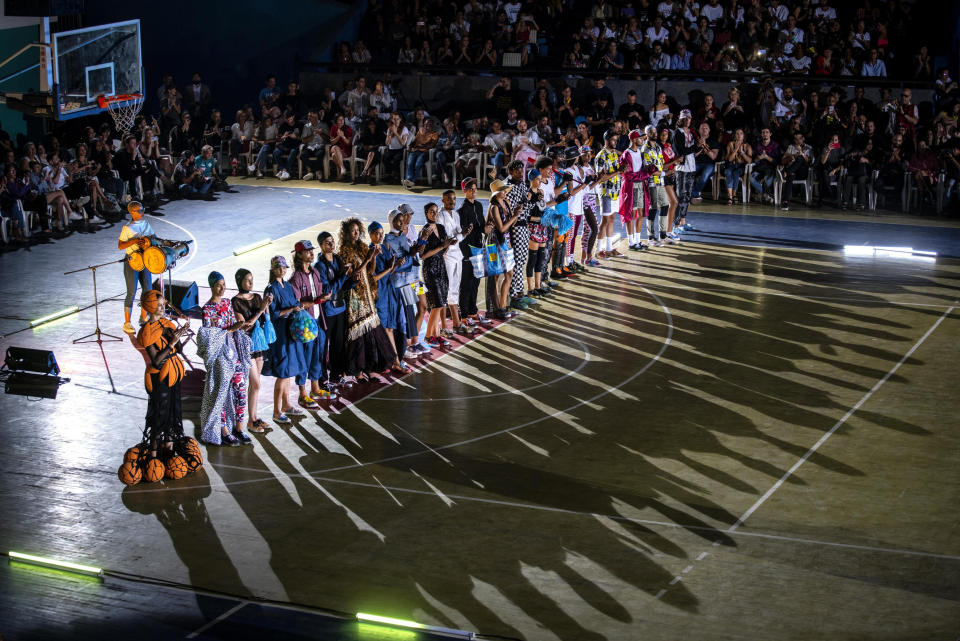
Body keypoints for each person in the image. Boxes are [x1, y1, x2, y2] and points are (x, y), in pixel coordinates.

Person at [338, 218, 400, 381]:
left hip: (366, 294)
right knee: (358, 333)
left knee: (371, 330)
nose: (356, 233)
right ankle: (357, 371)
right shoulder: (344, 252)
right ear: (346, 234)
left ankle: (370, 367)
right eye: (353, 231)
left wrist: (373, 258)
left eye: (358, 230)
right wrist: (368, 258)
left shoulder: (362, 247)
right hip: (355, 297)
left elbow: (369, 272)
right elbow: (353, 275)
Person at [198, 271, 252, 446]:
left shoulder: (228, 303)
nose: (222, 288)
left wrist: (239, 327)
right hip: (220, 356)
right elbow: (209, 337)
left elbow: (230, 326)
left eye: (224, 284)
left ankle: (238, 427)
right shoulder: (207, 309)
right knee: (221, 392)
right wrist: (230, 329)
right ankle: (224, 431)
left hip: (233, 352)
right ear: (212, 286)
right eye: (219, 285)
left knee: (240, 390)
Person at [136, 289, 189, 459]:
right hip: (159, 378)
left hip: (173, 374)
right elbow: (156, 361)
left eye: (162, 305)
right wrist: (171, 342)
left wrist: (178, 337)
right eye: (158, 306)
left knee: (173, 413)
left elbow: (178, 349)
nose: (161, 308)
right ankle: (153, 455)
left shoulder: (167, 324)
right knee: (160, 415)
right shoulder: (147, 331)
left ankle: (169, 449)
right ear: (149, 306)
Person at [289, 240, 336, 405]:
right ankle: (302, 393)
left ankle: (315, 388)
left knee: (318, 355)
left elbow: (320, 291)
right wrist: (316, 301)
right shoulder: (296, 278)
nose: (311, 253)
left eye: (311, 250)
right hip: (304, 325)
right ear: (299, 254)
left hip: (317, 320)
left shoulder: (315, 272)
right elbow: (296, 304)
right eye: (307, 251)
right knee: (304, 358)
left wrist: (325, 296)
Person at [264, 256, 307, 424]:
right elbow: (271, 314)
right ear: (273, 269)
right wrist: (291, 309)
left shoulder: (287, 285)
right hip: (280, 334)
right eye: (279, 267)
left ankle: (287, 405)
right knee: (282, 372)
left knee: (288, 371)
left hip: (291, 332)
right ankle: (276, 411)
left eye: (284, 267)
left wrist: (298, 307)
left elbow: (294, 302)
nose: (282, 270)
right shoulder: (271, 289)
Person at [231, 269, 273, 433]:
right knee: (255, 382)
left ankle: (253, 418)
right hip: (246, 345)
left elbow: (263, 319)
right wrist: (261, 308)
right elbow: (245, 324)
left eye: (252, 279)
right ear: (239, 281)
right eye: (247, 280)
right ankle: (248, 420)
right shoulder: (235, 301)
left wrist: (267, 305)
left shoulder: (256, 297)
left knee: (255, 386)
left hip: (258, 343)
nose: (251, 283)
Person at [315, 231, 355, 384]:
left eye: (332, 241)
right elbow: (328, 290)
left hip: (341, 308)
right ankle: (322, 379)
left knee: (338, 344)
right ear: (321, 246)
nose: (331, 244)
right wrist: (343, 275)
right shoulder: (319, 266)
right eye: (327, 242)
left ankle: (336, 375)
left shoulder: (337, 259)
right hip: (328, 311)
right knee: (325, 346)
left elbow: (343, 286)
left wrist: (353, 281)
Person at [369, 221, 409, 369]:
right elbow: (373, 278)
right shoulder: (371, 251)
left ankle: (394, 360)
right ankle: (393, 361)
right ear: (370, 235)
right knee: (384, 328)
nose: (380, 236)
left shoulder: (385, 249)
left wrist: (396, 266)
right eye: (376, 233)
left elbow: (389, 272)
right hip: (380, 294)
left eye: (381, 233)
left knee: (390, 328)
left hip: (389, 291)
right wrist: (390, 268)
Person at [417, 203, 458, 345]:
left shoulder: (441, 228)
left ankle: (436, 333)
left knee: (441, 303)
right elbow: (422, 255)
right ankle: (429, 336)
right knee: (437, 303)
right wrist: (442, 246)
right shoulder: (424, 231)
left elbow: (443, 250)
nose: (434, 214)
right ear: (426, 214)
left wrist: (448, 245)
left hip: (441, 266)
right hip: (430, 268)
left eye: (436, 212)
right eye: (431, 212)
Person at [457, 178, 494, 328]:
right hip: (467, 249)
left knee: (476, 281)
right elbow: (466, 232)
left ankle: (473, 311)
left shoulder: (478, 206)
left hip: (478, 247)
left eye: (475, 188)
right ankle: (464, 314)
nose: (474, 191)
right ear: (465, 191)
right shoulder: (461, 210)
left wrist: (488, 227)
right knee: (466, 282)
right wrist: (482, 230)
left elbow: (480, 225)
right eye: (470, 189)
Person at [437, 189, 474, 335]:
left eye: (453, 199)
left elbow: (458, 235)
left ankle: (457, 323)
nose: (452, 201)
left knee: (454, 289)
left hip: (457, 255)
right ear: (443, 200)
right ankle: (443, 327)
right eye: (448, 199)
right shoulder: (440, 216)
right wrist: (460, 235)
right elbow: (447, 240)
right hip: (447, 257)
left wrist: (465, 232)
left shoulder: (456, 215)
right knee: (445, 291)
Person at [485, 179, 522, 319]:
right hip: (496, 243)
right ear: (496, 193)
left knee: (509, 274)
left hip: (506, 242)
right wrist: (515, 216)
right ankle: (495, 307)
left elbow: (512, 224)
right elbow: (501, 228)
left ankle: (502, 305)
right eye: (502, 190)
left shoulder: (507, 202)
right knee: (496, 276)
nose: (505, 191)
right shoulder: (494, 207)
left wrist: (516, 214)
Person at [117, 202, 156, 333]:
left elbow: (153, 237)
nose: (141, 213)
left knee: (147, 289)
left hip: (144, 260)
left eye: (142, 210)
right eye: (139, 211)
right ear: (132, 212)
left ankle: (143, 316)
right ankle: (127, 322)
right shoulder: (127, 228)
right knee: (132, 291)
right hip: (132, 261)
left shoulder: (145, 224)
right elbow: (120, 245)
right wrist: (134, 241)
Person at [594, 130, 622, 257]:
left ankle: (609, 248)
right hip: (606, 192)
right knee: (605, 220)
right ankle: (599, 250)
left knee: (611, 219)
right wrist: (618, 172)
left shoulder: (615, 154)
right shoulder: (601, 156)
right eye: (613, 140)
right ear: (607, 140)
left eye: (616, 140)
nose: (616, 142)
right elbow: (600, 178)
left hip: (615, 192)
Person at [619, 129, 646, 251]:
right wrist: (645, 174)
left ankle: (638, 240)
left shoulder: (639, 152)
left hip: (640, 184)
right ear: (634, 139)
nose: (642, 140)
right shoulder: (626, 154)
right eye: (641, 138)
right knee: (631, 213)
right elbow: (627, 175)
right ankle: (631, 242)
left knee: (641, 212)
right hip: (631, 186)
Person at [673, 110, 698, 233]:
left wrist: (699, 146)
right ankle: (675, 225)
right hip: (682, 169)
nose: (688, 120)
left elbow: (693, 150)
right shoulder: (678, 133)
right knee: (680, 195)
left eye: (689, 118)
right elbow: (681, 150)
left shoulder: (692, 133)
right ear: (681, 119)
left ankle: (683, 221)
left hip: (691, 167)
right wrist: (694, 147)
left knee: (687, 196)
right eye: (685, 118)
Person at [724, 128, 752, 204]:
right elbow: (729, 159)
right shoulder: (730, 144)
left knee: (736, 173)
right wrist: (736, 149)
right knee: (728, 172)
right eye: (737, 133)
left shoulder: (748, 146)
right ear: (734, 136)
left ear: (744, 136)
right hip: (731, 165)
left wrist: (742, 153)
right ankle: (730, 196)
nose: (739, 135)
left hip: (741, 166)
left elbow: (749, 161)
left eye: (741, 133)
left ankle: (734, 194)